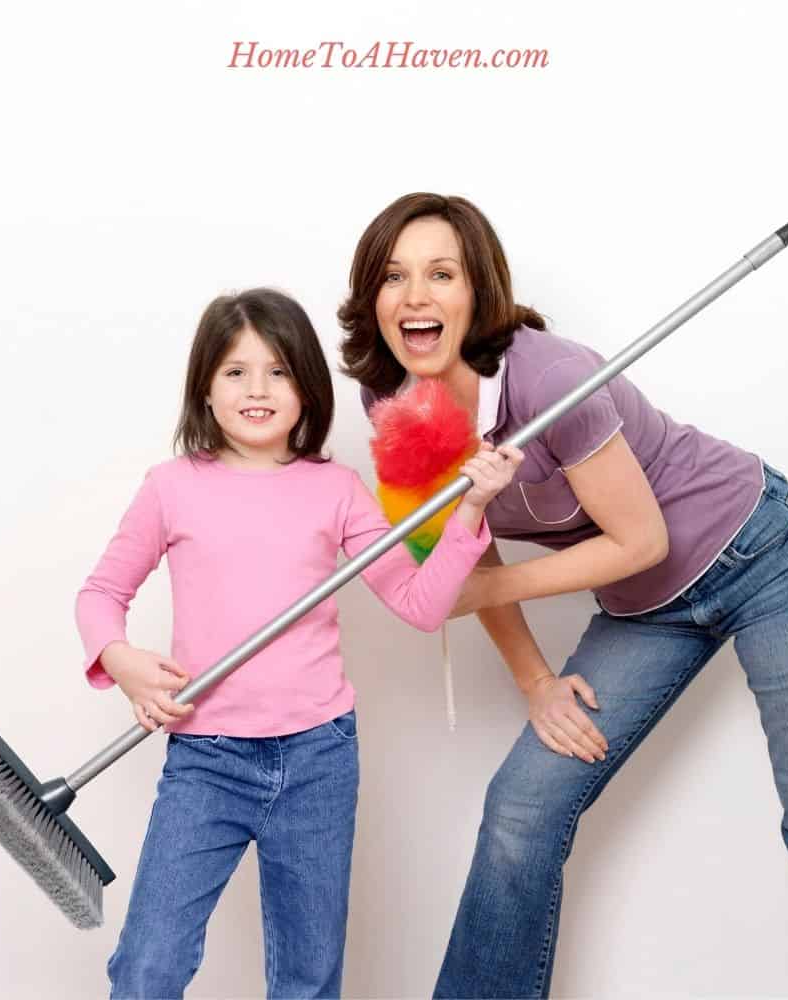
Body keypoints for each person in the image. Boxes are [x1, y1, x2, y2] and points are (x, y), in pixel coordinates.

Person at [339, 193, 788, 999]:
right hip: (646, 611)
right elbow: (469, 548)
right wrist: (534, 681)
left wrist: (485, 583)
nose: (416, 295)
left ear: (478, 290)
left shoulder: (551, 377)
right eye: (394, 277)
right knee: (521, 812)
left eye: (441, 273)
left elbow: (641, 541)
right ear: (372, 299)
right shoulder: (398, 406)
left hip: (761, 551)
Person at [75, 287, 522, 999]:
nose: (258, 389)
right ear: (205, 389)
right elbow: (100, 595)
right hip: (205, 761)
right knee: (147, 966)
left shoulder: (337, 490)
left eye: (278, 371)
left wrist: (470, 509)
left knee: (308, 981)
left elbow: (419, 603)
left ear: (307, 386)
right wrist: (122, 662)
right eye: (235, 371)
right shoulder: (171, 488)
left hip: (318, 759)